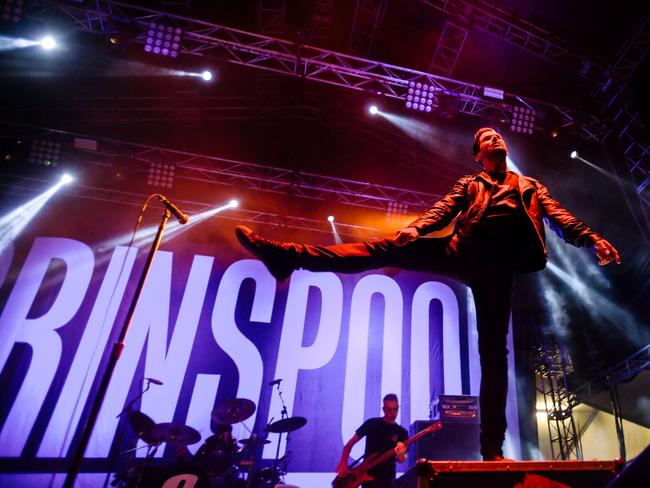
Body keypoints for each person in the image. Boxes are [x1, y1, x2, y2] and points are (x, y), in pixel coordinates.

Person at [234, 127, 621, 461]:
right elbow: (445, 209)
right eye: (486, 138)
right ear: (478, 155)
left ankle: (492, 448)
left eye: (497, 134)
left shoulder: (530, 186)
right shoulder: (471, 184)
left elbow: (559, 217)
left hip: (499, 271)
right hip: (460, 251)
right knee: (382, 248)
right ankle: (287, 257)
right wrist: (416, 230)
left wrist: (592, 241)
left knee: (494, 355)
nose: (495, 137)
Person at [335, 394, 408, 488]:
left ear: (398, 408)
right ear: (383, 409)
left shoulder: (402, 432)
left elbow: (401, 460)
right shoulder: (372, 424)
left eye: (395, 409)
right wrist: (343, 462)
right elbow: (349, 444)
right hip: (367, 478)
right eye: (389, 409)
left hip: (388, 480)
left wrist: (401, 455)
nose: (392, 413)